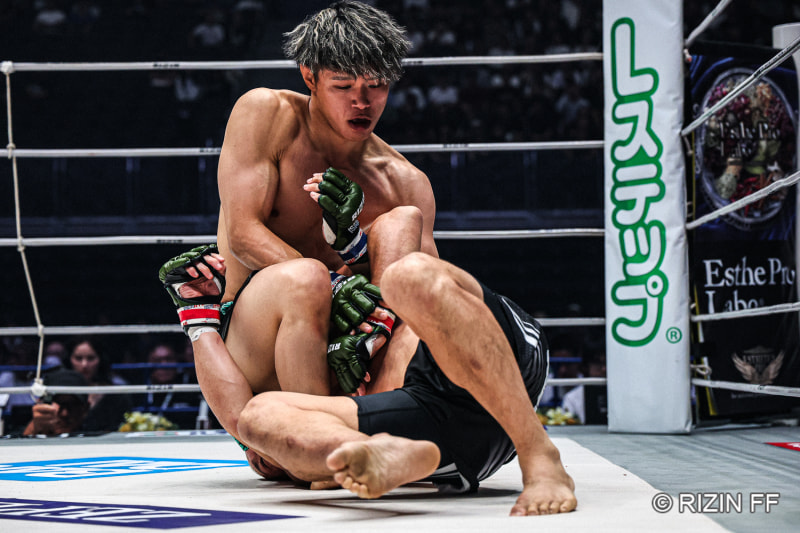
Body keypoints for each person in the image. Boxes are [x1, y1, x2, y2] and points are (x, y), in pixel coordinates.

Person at [161, 245, 576, 516]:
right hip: (434, 430)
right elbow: (247, 428)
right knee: (257, 417)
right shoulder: (277, 343)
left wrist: (360, 274)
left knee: (407, 275)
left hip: (489, 356)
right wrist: (196, 315)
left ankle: (537, 453)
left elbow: (410, 229)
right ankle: (374, 451)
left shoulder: (378, 196)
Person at [212, 0, 437, 411]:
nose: (362, 102)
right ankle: (314, 432)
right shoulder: (267, 114)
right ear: (309, 77)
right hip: (256, 345)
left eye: (376, 85)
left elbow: (422, 297)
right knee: (306, 278)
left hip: (351, 353)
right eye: (343, 86)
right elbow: (242, 234)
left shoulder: (405, 182)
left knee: (405, 226)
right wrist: (336, 286)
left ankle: (380, 421)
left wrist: (355, 249)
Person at [64, 337, 133, 432]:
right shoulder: (59, 393)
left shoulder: (117, 395)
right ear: (69, 360)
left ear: (101, 360)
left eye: (90, 358)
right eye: (78, 358)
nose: (84, 365)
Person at [22, 368, 91, 436]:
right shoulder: (27, 430)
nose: (64, 414)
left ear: (85, 409)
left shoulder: (94, 435)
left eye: (72, 405)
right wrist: (33, 429)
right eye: (58, 403)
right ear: (41, 405)